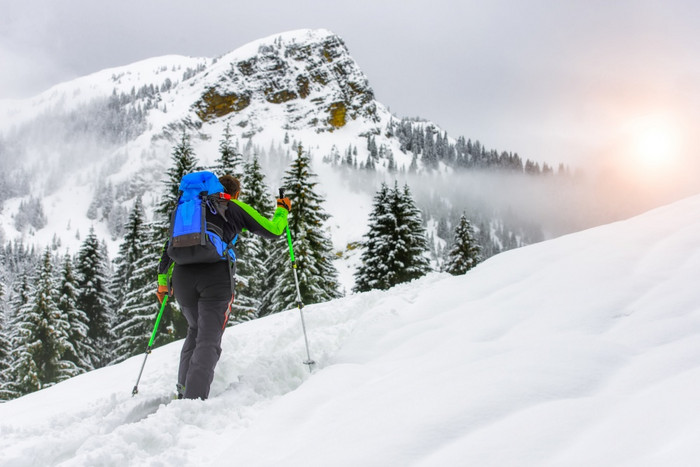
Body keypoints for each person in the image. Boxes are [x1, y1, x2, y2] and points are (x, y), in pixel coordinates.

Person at [157, 174, 291, 400]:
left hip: (182, 277)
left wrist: (162, 283)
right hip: (215, 277)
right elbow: (274, 230)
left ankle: (183, 390)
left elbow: (168, 246)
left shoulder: (191, 209)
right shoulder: (232, 205)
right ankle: (193, 401)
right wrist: (282, 210)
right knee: (208, 340)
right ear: (235, 193)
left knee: (194, 330)